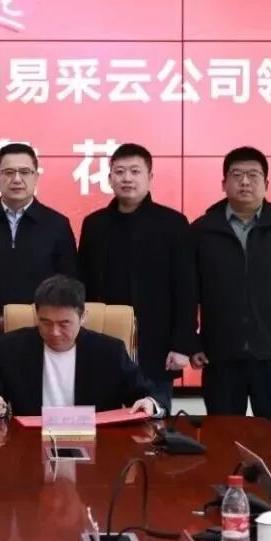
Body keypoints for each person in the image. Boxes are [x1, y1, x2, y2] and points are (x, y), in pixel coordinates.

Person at [190, 146, 271, 431]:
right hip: (220, 355)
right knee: (223, 438)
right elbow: (188, 291)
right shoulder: (202, 230)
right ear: (224, 183)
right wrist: (191, 341)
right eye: (237, 175)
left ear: (266, 183)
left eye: (253, 175)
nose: (245, 182)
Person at [78, 143, 197, 412]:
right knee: (103, 422)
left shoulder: (173, 224)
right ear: (110, 178)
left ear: (150, 177)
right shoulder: (94, 224)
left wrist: (183, 345)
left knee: (152, 421)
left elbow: (186, 289)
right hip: (103, 342)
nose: (127, 178)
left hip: (157, 346)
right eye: (120, 172)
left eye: (135, 171)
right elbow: (82, 286)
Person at [0, 143, 78, 377]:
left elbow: (70, 286)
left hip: (44, 336)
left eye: (25, 172)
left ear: (36, 177)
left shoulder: (57, 224)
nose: (17, 179)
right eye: (9, 172)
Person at [0, 275, 162, 418]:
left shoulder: (110, 351)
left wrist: (149, 402)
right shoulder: (11, 347)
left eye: (64, 324)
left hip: (98, 444)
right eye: (46, 323)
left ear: (83, 317)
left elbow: (151, 395)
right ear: (37, 316)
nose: (54, 332)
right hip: (31, 444)